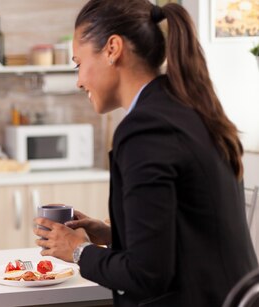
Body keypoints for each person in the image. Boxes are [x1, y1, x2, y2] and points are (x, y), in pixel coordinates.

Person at [33, 1, 258, 306]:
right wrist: (112, 234)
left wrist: (77, 251)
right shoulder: (188, 109)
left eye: (78, 63)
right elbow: (188, 235)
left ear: (113, 48)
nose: (79, 80)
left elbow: (146, 274)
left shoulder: (145, 130)